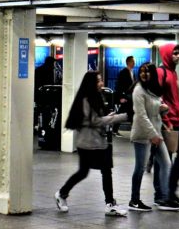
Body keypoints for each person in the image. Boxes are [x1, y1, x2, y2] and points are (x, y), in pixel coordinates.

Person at [54, 71, 128, 216]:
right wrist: (119, 117)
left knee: (102, 171)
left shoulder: (97, 97)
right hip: (88, 143)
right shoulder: (87, 100)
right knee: (88, 172)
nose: (101, 83)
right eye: (98, 81)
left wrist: (108, 117)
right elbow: (96, 121)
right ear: (91, 83)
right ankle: (63, 193)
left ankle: (109, 203)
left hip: (97, 142)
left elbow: (99, 118)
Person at [128, 62, 170, 211]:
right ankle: (134, 200)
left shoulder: (154, 89)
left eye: (147, 72)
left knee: (166, 163)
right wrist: (152, 134)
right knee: (140, 168)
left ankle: (164, 198)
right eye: (141, 72)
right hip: (142, 135)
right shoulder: (138, 90)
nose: (143, 74)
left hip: (156, 134)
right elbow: (141, 115)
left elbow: (155, 109)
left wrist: (164, 109)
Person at [155, 42, 179, 211]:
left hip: (177, 121)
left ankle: (170, 190)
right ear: (167, 54)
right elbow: (156, 97)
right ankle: (161, 196)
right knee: (164, 160)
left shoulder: (173, 73)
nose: (178, 56)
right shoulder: (161, 72)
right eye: (175, 53)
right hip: (166, 123)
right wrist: (164, 119)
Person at [113, 56, 135, 137]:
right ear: (128, 62)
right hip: (125, 97)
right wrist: (121, 97)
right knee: (121, 113)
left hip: (131, 97)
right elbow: (118, 86)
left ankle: (134, 131)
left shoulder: (132, 72)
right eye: (132, 61)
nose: (134, 63)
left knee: (132, 113)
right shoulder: (123, 72)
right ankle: (114, 130)